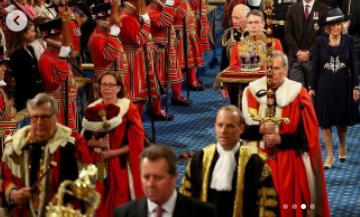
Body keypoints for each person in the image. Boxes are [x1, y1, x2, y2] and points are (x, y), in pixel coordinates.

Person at [242, 51, 330, 216]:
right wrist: (259, 131)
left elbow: (306, 138)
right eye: (269, 69)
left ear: (286, 70)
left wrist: (280, 139)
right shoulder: (251, 92)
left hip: (289, 163)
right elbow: (241, 131)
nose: (272, 73)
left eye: (276, 69)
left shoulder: (298, 94)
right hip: (258, 162)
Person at [2, 93, 92, 215]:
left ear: (55, 117)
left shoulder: (74, 144)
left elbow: (86, 186)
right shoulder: (17, 144)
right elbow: (6, 179)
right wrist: (13, 194)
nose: (39, 123)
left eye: (44, 117)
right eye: (34, 117)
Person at [179, 106, 277, 217]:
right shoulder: (199, 160)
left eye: (230, 126)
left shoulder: (255, 164)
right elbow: (185, 202)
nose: (223, 131)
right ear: (215, 127)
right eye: (220, 125)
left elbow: (267, 207)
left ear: (241, 129)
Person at [82, 72, 145, 215]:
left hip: (120, 163)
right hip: (98, 164)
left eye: (111, 85)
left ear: (118, 88)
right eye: (103, 84)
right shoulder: (92, 110)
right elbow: (84, 140)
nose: (106, 88)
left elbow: (136, 143)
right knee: (99, 201)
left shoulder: (128, 109)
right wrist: (97, 143)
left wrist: (114, 152)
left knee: (121, 200)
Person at [310, 8, 360, 168]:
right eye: (332, 25)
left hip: (343, 84)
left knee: (341, 120)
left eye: (338, 24)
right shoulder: (320, 41)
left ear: (342, 25)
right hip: (323, 85)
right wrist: (311, 86)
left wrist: (356, 86)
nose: (335, 28)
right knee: (325, 121)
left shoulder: (349, 40)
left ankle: (342, 144)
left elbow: (354, 65)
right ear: (328, 27)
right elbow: (315, 66)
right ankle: (330, 155)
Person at [114, 144, 217, 217]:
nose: (151, 184)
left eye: (158, 177)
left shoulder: (203, 213)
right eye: (146, 177)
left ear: (174, 177)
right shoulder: (123, 213)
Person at [285, 0, 330, 89]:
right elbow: (288, 33)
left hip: (314, 59)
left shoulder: (324, 10)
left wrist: (309, 53)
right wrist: (298, 52)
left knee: (314, 91)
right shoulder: (292, 9)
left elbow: (323, 35)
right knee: (296, 92)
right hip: (296, 58)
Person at [7, 21, 44, 111]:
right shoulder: (16, 54)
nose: (35, 34)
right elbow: (21, 78)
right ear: (23, 34)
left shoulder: (30, 49)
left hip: (36, 93)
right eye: (32, 31)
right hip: (25, 96)